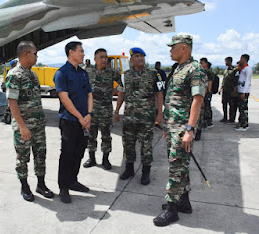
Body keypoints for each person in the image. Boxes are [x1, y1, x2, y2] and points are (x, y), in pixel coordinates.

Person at [153, 34, 206, 227]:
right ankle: (184, 202)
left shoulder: (195, 69)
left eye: (172, 47)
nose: (170, 51)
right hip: (173, 127)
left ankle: (171, 209)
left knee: (175, 167)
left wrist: (190, 129)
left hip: (183, 127)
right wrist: (167, 125)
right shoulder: (178, 68)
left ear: (184, 48)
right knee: (180, 166)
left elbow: (197, 100)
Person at [5, 41, 54, 202]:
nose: (37, 56)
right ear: (26, 54)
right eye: (35, 54)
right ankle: (24, 187)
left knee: (41, 155)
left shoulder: (32, 74)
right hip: (24, 127)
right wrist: (22, 126)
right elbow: (12, 102)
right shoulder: (14, 74)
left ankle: (41, 185)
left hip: (38, 125)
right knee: (23, 158)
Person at [114, 47, 164, 185]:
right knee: (128, 144)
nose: (140, 58)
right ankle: (129, 169)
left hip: (147, 119)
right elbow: (121, 93)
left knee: (146, 146)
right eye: (137, 56)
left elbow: (159, 94)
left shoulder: (154, 74)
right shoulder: (125, 75)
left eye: (142, 56)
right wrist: (117, 111)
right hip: (129, 118)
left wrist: (160, 114)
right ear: (131, 59)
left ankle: (145, 173)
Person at [54, 41, 93, 204]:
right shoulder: (62, 73)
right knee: (67, 154)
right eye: (81, 51)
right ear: (71, 53)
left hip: (84, 121)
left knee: (79, 152)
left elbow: (89, 94)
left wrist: (89, 114)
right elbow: (65, 98)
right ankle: (64, 187)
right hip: (70, 121)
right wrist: (79, 117)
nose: (83, 54)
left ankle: (73, 181)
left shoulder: (83, 73)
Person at [83, 48, 122, 170]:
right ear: (95, 59)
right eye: (101, 57)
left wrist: (113, 92)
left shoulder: (112, 72)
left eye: (105, 57)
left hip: (106, 110)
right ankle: (92, 158)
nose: (104, 59)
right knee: (90, 135)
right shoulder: (87, 72)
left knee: (106, 136)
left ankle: (105, 159)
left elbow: (123, 84)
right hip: (91, 111)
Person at [234, 54, 252, 131]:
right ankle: (242, 122)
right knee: (241, 108)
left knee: (243, 109)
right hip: (240, 90)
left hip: (243, 91)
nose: (240, 60)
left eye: (241, 59)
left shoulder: (248, 69)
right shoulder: (243, 69)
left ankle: (243, 125)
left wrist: (243, 92)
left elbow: (247, 81)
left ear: (244, 60)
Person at [218, 57, 235, 122]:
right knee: (224, 103)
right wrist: (220, 89)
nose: (225, 63)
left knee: (231, 105)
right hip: (225, 90)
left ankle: (231, 118)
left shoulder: (234, 70)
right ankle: (225, 117)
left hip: (230, 90)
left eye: (226, 61)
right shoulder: (225, 70)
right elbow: (224, 80)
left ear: (230, 62)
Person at [200, 58, 214, 128]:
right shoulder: (203, 72)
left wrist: (208, 93)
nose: (201, 64)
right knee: (204, 107)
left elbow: (210, 83)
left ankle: (208, 122)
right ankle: (205, 121)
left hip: (207, 92)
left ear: (206, 63)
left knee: (207, 107)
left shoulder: (208, 73)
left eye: (202, 63)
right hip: (204, 92)